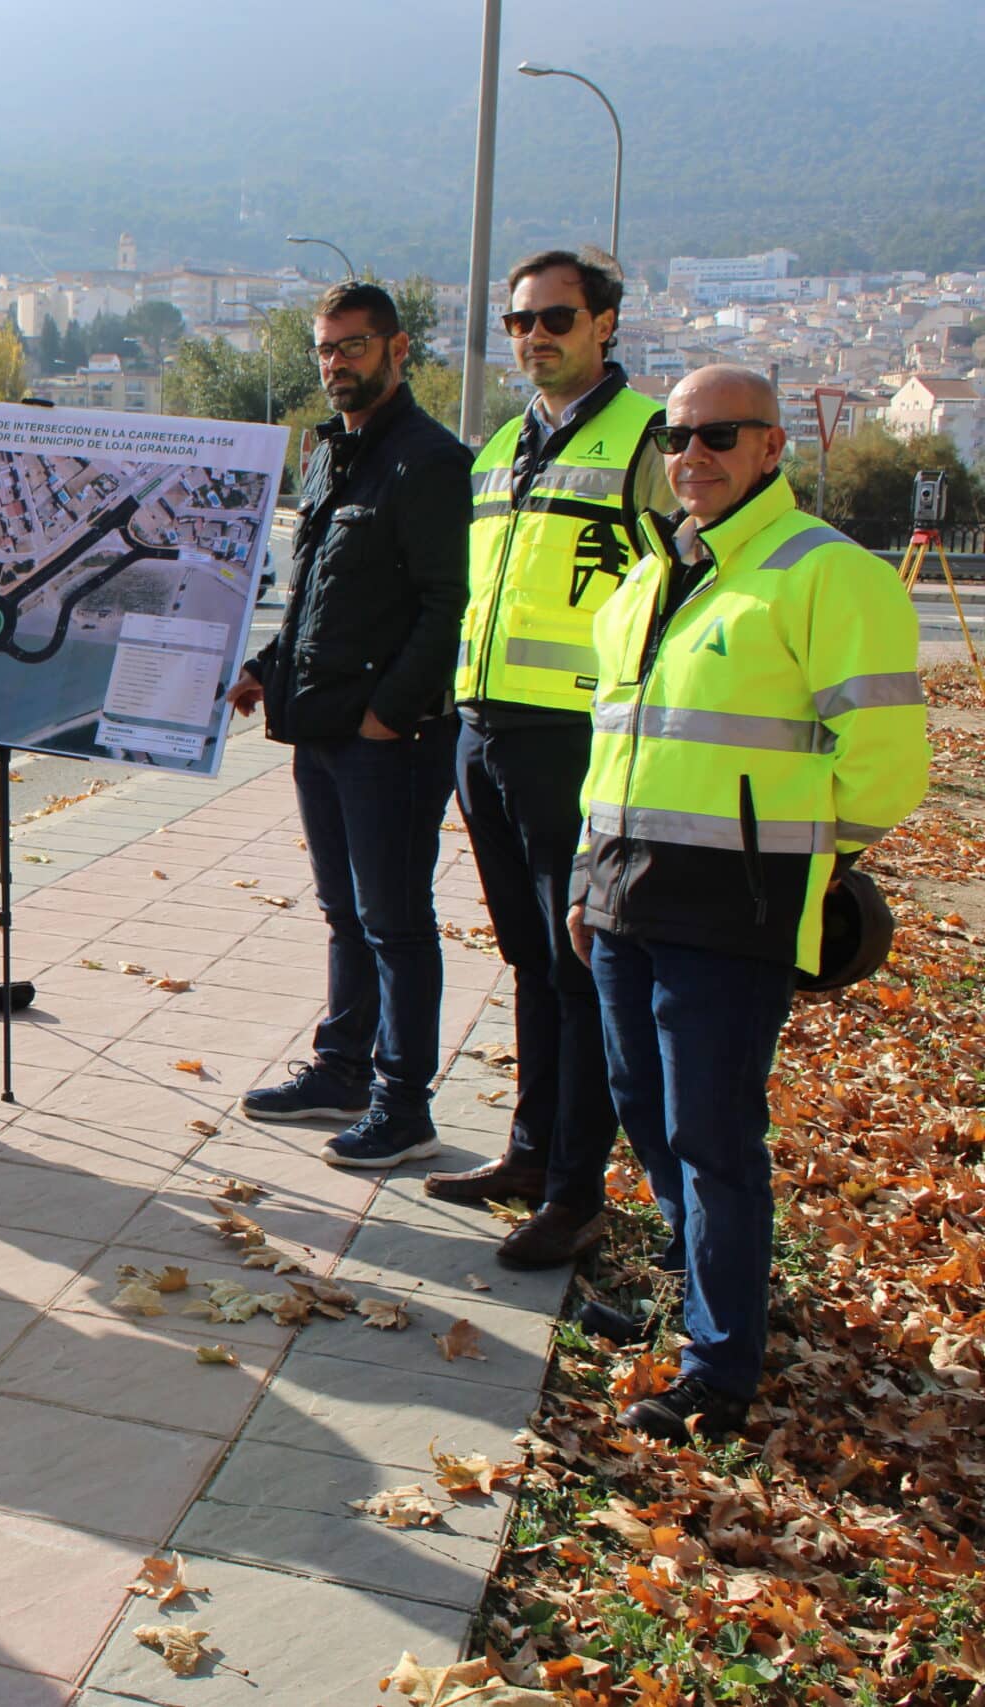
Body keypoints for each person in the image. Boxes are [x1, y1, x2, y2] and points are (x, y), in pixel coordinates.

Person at [569, 365, 926, 1442]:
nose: (693, 456)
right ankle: (692, 1299)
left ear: (772, 447)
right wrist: (587, 881)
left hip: (733, 911)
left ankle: (719, 1369)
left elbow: (886, 763)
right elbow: (615, 748)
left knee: (713, 1133)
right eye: (677, 439)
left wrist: (793, 863)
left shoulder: (823, 573)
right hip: (625, 897)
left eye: (721, 435)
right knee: (643, 1108)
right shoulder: (649, 579)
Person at [423, 250, 667, 1269]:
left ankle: (577, 1191)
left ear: (605, 322)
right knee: (529, 960)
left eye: (555, 317)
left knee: (580, 970)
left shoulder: (647, 438)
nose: (534, 336)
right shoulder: (500, 448)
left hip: (578, 740)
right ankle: (529, 1154)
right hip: (485, 731)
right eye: (519, 322)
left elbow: (678, 588)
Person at [227, 281, 469, 1169]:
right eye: (325, 349)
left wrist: (384, 716)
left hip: (388, 741)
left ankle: (403, 1104)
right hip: (321, 727)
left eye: (353, 347)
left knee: (396, 920)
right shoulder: (331, 456)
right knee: (344, 912)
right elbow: (313, 598)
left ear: (397, 350)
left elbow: (447, 605)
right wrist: (266, 668)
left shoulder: (429, 458)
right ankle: (341, 1069)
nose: (336, 364)